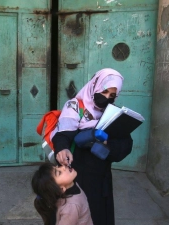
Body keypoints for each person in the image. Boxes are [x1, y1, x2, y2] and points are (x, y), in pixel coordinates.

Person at [51, 68, 133, 225]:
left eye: (112, 95)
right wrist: (62, 149)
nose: (106, 98)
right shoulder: (75, 107)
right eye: (104, 91)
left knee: (100, 216)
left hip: (101, 178)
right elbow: (62, 136)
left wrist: (107, 143)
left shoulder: (113, 113)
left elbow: (125, 145)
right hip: (76, 175)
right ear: (96, 85)